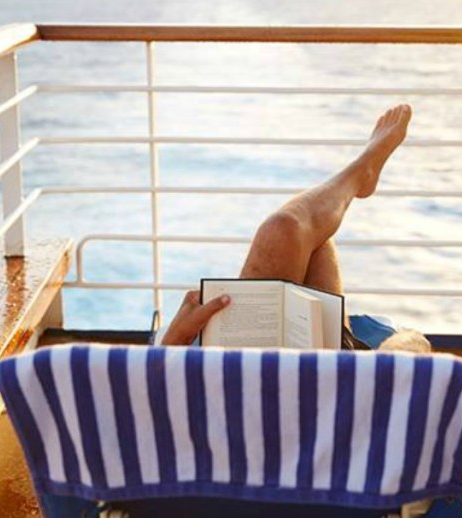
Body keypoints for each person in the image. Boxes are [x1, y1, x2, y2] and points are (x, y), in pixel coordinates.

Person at [160, 104, 430, 353]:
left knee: (306, 238)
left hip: (246, 383)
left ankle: (361, 173)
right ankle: (361, 173)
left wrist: (175, 342)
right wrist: (408, 339)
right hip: (338, 388)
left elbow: (154, 394)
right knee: (290, 231)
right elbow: (410, 360)